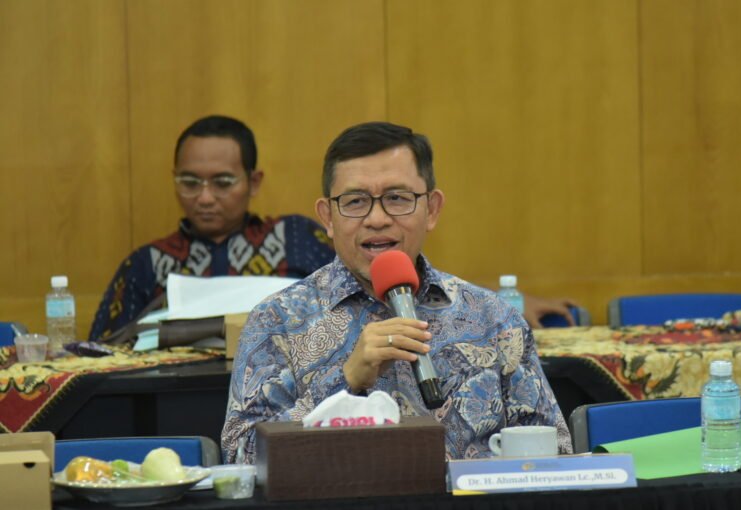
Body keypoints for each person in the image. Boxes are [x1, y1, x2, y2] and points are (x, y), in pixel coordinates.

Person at [222, 121, 572, 462]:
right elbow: (241, 459)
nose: (377, 219)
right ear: (327, 217)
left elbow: (556, 452)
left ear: (431, 209)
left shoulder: (493, 319)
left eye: (397, 198)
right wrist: (345, 381)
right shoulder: (277, 321)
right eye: (355, 201)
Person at [89, 115, 335, 341]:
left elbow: (348, 316)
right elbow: (102, 353)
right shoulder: (147, 264)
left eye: (222, 183)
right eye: (190, 182)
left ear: (253, 182)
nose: (205, 198)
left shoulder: (297, 240)